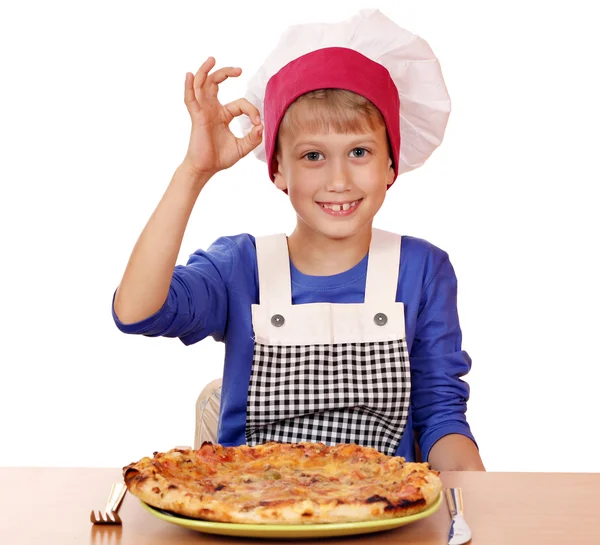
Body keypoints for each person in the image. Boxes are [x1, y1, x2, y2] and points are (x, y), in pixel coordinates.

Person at [112, 9, 485, 471]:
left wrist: (476, 505)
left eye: (360, 152)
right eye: (312, 156)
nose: (338, 179)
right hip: (248, 515)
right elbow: (135, 312)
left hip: (384, 516)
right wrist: (195, 172)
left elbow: (441, 417)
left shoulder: (423, 271)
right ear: (278, 170)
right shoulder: (240, 267)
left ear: (392, 162)